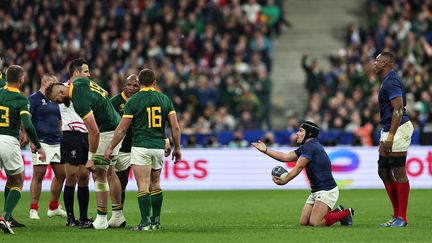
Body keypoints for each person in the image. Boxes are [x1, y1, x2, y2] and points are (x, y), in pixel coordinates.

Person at [46, 58, 124, 229]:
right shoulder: (82, 81)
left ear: (60, 89)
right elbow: (103, 92)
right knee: (110, 171)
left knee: (98, 172)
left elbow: (94, 131)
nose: (59, 102)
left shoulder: (79, 101)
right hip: (116, 126)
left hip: (107, 130)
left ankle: (101, 220)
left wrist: (90, 158)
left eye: (57, 98)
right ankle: (117, 215)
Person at [104, 68, 181, 231]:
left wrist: (110, 147)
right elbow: (175, 127)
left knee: (143, 186)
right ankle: (156, 222)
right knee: (156, 184)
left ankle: (145, 223)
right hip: (158, 147)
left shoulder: (134, 101)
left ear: (140, 83)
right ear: (154, 82)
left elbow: (122, 129)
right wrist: (177, 148)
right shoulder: (164, 98)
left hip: (140, 146)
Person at [252, 121, 354, 227]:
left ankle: (346, 213)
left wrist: (285, 180)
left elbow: (299, 167)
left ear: (309, 134)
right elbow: (285, 157)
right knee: (304, 222)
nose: (297, 133)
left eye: (300, 131)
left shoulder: (311, 147)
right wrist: (266, 150)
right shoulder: (307, 147)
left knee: (316, 223)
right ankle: (337, 211)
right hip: (317, 191)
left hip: (327, 191)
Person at [0, 65, 46, 234]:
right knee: (18, 181)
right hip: (8, 141)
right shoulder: (21, 99)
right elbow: (27, 124)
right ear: (21, 80)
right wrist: (38, 146)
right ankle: (5, 217)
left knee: (10, 180)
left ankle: (8, 217)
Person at [374, 51, 414, 227]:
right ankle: (397, 215)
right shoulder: (388, 80)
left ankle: (402, 218)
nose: (374, 64)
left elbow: (398, 109)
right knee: (383, 171)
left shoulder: (391, 81)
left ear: (384, 63)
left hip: (398, 128)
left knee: (398, 171)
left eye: (376, 61)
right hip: (389, 128)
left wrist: (390, 135)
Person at [27, 74, 66, 219]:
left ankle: (53, 207)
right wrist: (32, 140)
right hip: (41, 141)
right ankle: (33, 209)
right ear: (45, 82)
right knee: (39, 174)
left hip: (57, 141)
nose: (57, 84)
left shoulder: (56, 100)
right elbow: (27, 121)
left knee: (62, 174)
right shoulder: (33, 99)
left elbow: (59, 120)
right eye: (54, 82)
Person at [59, 78, 92, 227]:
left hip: (87, 134)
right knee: (71, 176)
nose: (88, 74)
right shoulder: (63, 89)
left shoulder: (89, 88)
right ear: (76, 72)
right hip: (70, 135)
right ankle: (70, 218)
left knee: (84, 176)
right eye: (85, 71)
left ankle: (84, 217)